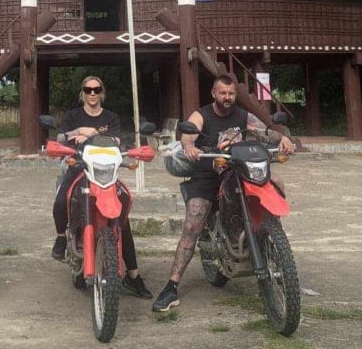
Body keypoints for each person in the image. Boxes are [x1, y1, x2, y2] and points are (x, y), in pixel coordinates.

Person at [151, 74, 295, 312]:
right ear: (213, 93)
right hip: (208, 172)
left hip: (237, 169)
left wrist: (284, 138)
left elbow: (264, 130)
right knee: (193, 223)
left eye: (230, 93)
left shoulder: (241, 115)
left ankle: (270, 237)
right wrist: (189, 147)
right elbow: (188, 135)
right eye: (222, 93)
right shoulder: (202, 114)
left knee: (276, 181)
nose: (227, 98)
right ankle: (171, 286)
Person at [51, 75, 152, 299]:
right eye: (88, 90)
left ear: (102, 92)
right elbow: (61, 138)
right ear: (83, 93)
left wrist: (93, 133)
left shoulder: (112, 117)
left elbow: (118, 141)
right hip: (79, 167)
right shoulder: (73, 116)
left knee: (122, 213)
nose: (93, 93)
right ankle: (60, 237)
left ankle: (133, 276)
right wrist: (77, 132)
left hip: (107, 171)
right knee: (61, 199)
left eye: (96, 89)